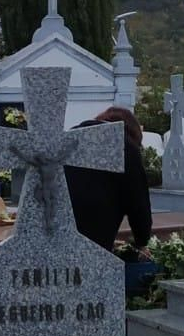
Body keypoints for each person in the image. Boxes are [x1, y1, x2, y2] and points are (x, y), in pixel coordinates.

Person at [65, 105, 154, 253]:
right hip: (97, 230)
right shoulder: (126, 146)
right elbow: (138, 201)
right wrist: (142, 241)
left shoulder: (71, 137)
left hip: (60, 224)